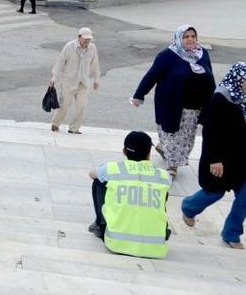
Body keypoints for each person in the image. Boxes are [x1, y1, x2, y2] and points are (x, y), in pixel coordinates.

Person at [131, 25, 215, 178]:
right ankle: (172, 166)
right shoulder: (168, 55)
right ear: (179, 38)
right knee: (172, 135)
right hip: (171, 105)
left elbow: (210, 78)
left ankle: (165, 151)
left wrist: (213, 102)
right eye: (186, 36)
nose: (190, 39)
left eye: (192, 36)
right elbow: (152, 75)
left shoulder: (203, 55)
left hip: (194, 107)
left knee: (187, 139)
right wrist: (139, 95)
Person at [181, 62, 246, 249]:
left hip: (242, 159)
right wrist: (215, 160)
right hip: (221, 159)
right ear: (238, 78)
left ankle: (231, 233)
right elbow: (211, 133)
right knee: (214, 193)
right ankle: (188, 207)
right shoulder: (220, 99)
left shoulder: (244, 99)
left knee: (244, 197)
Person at [88, 131, 171, 259]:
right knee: (160, 191)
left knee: (99, 181)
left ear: (124, 152)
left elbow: (92, 174)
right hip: (154, 247)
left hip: (116, 243)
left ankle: (100, 225)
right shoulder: (163, 176)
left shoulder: (113, 169)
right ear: (149, 154)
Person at [50, 28, 100, 134]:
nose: (87, 41)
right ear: (79, 37)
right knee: (64, 105)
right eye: (85, 39)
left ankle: (74, 128)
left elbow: (95, 64)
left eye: (89, 39)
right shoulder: (69, 47)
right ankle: (55, 124)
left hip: (83, 82)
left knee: (81, 106)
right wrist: (54, 77)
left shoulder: (92, 48)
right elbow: (60, 62)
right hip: (68, 82)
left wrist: (96, 79)